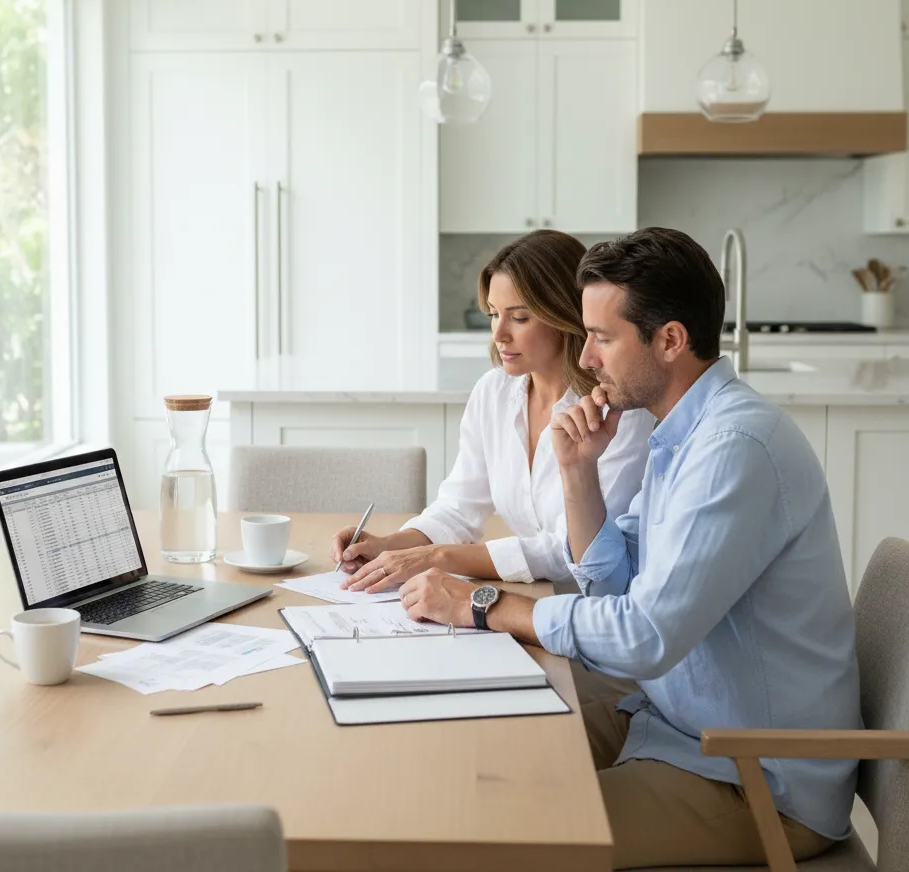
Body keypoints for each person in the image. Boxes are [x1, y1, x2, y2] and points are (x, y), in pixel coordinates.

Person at [397, 227, 859, 868]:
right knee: (477, 754)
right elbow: (615, 585)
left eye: (603, 338)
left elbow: (644, 635)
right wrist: (579, 472)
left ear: (669, 340)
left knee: (500, 832)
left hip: (752, 774)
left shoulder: (735, 449)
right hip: (669, 720)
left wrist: (483, 604)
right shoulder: (683, 436)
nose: (585, 359)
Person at [329, 229, 654, 594]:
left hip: (596, 610)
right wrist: (392, 545)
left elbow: (571, 548)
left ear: (565, 314)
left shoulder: (618, 414)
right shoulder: (493, 393)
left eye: (519, 318)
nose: (498, 334)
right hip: (528, 596)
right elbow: (457, 507)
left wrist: (437, 558)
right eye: (493, 314)